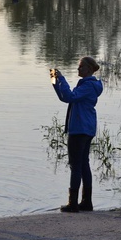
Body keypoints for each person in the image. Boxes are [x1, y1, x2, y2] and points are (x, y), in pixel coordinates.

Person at [50, 57, 104, 212]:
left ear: (88, 69)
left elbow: (70, 97)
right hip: (85, 128)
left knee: (76, 165)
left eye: (81, 67)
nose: (78, 69)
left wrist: (63, 79)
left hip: (80, 129)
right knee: (83, 164)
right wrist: (55, 81)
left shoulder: (88, 86)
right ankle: (86, 202)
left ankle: (73, 203)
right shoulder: (89, 85)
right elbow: (64, 97)